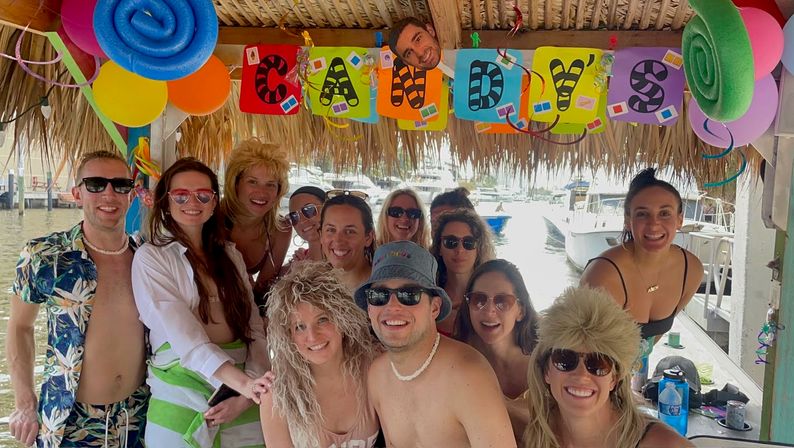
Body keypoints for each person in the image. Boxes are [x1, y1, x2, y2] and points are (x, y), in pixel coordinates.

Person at [8, 151, 148, 447]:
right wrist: (24, 403)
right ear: (77, 193)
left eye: (120, 185)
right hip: (69, 422)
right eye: (96, 184)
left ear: (132, 194)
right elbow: (20, 327)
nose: (109, 194)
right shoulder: (43, 255)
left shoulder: (148, 257)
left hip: (138, 418)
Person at [132, 158, 268, 447]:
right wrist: (245, 386)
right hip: (181, 390)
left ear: (214, 202)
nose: (192, 202)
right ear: (165, 201)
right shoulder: (151, 258)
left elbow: (254, 329)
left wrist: (247, 393)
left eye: (202, 195)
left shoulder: (230, 256)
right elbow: (186, 339)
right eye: (180, 195)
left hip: (242, 392)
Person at [355, 241, 516, 447]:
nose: (392, 306)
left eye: (409, 295)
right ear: (369, 308)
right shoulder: (376, 375)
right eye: (379, 296)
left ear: (435, 307)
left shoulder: (468, 375)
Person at [524, 287, 694, 448]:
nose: (581, 375)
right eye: (565, 359)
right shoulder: (530, 432)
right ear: (546, 371)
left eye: (598, 363)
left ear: (614, 378)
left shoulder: (662, 444)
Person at [254, 261, 380, 447]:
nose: (312, 337)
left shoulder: (374, 370)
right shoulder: (275, 395)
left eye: (322, 320)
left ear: (343, 320)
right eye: (299, 327)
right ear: (288, 335)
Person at [580, 168, 703, 343]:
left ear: (679, 220)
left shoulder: (691, 270)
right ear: (628, 221)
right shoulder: (603, 275)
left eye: (665, 213)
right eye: (642, 214)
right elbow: (581, 349)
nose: (654, 225)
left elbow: (652, 340)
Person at [455, 259, 538, 444]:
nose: (489, 311)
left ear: (521, 311)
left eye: (502, 301)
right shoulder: (455, 361)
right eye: (479, 299)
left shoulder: (546, 364)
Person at [221, 138, 291, 315]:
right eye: (252, 181)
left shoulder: (281, 229)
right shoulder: (213, 219)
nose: (262, 192)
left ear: (278, 191)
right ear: (235, 184)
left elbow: (261, 289)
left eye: (270, 185)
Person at [431, 209, 495, 335]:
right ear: (439, 248)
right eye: (451, 242)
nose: (459, 250)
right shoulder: (427, 297)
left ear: (479, 249)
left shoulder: (493, 298)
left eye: (469, 243)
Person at [320, 190, 376, 291]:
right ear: (321, 235)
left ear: (368, 237)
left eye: (350, 231)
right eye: (331, 230)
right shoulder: (313, 288)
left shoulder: (384, 289)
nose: (338, 240)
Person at [286, 186, 326, 263]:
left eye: (308, 210)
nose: (302, 221)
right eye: (294, 216)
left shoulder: (350, 261)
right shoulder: (292, 268)